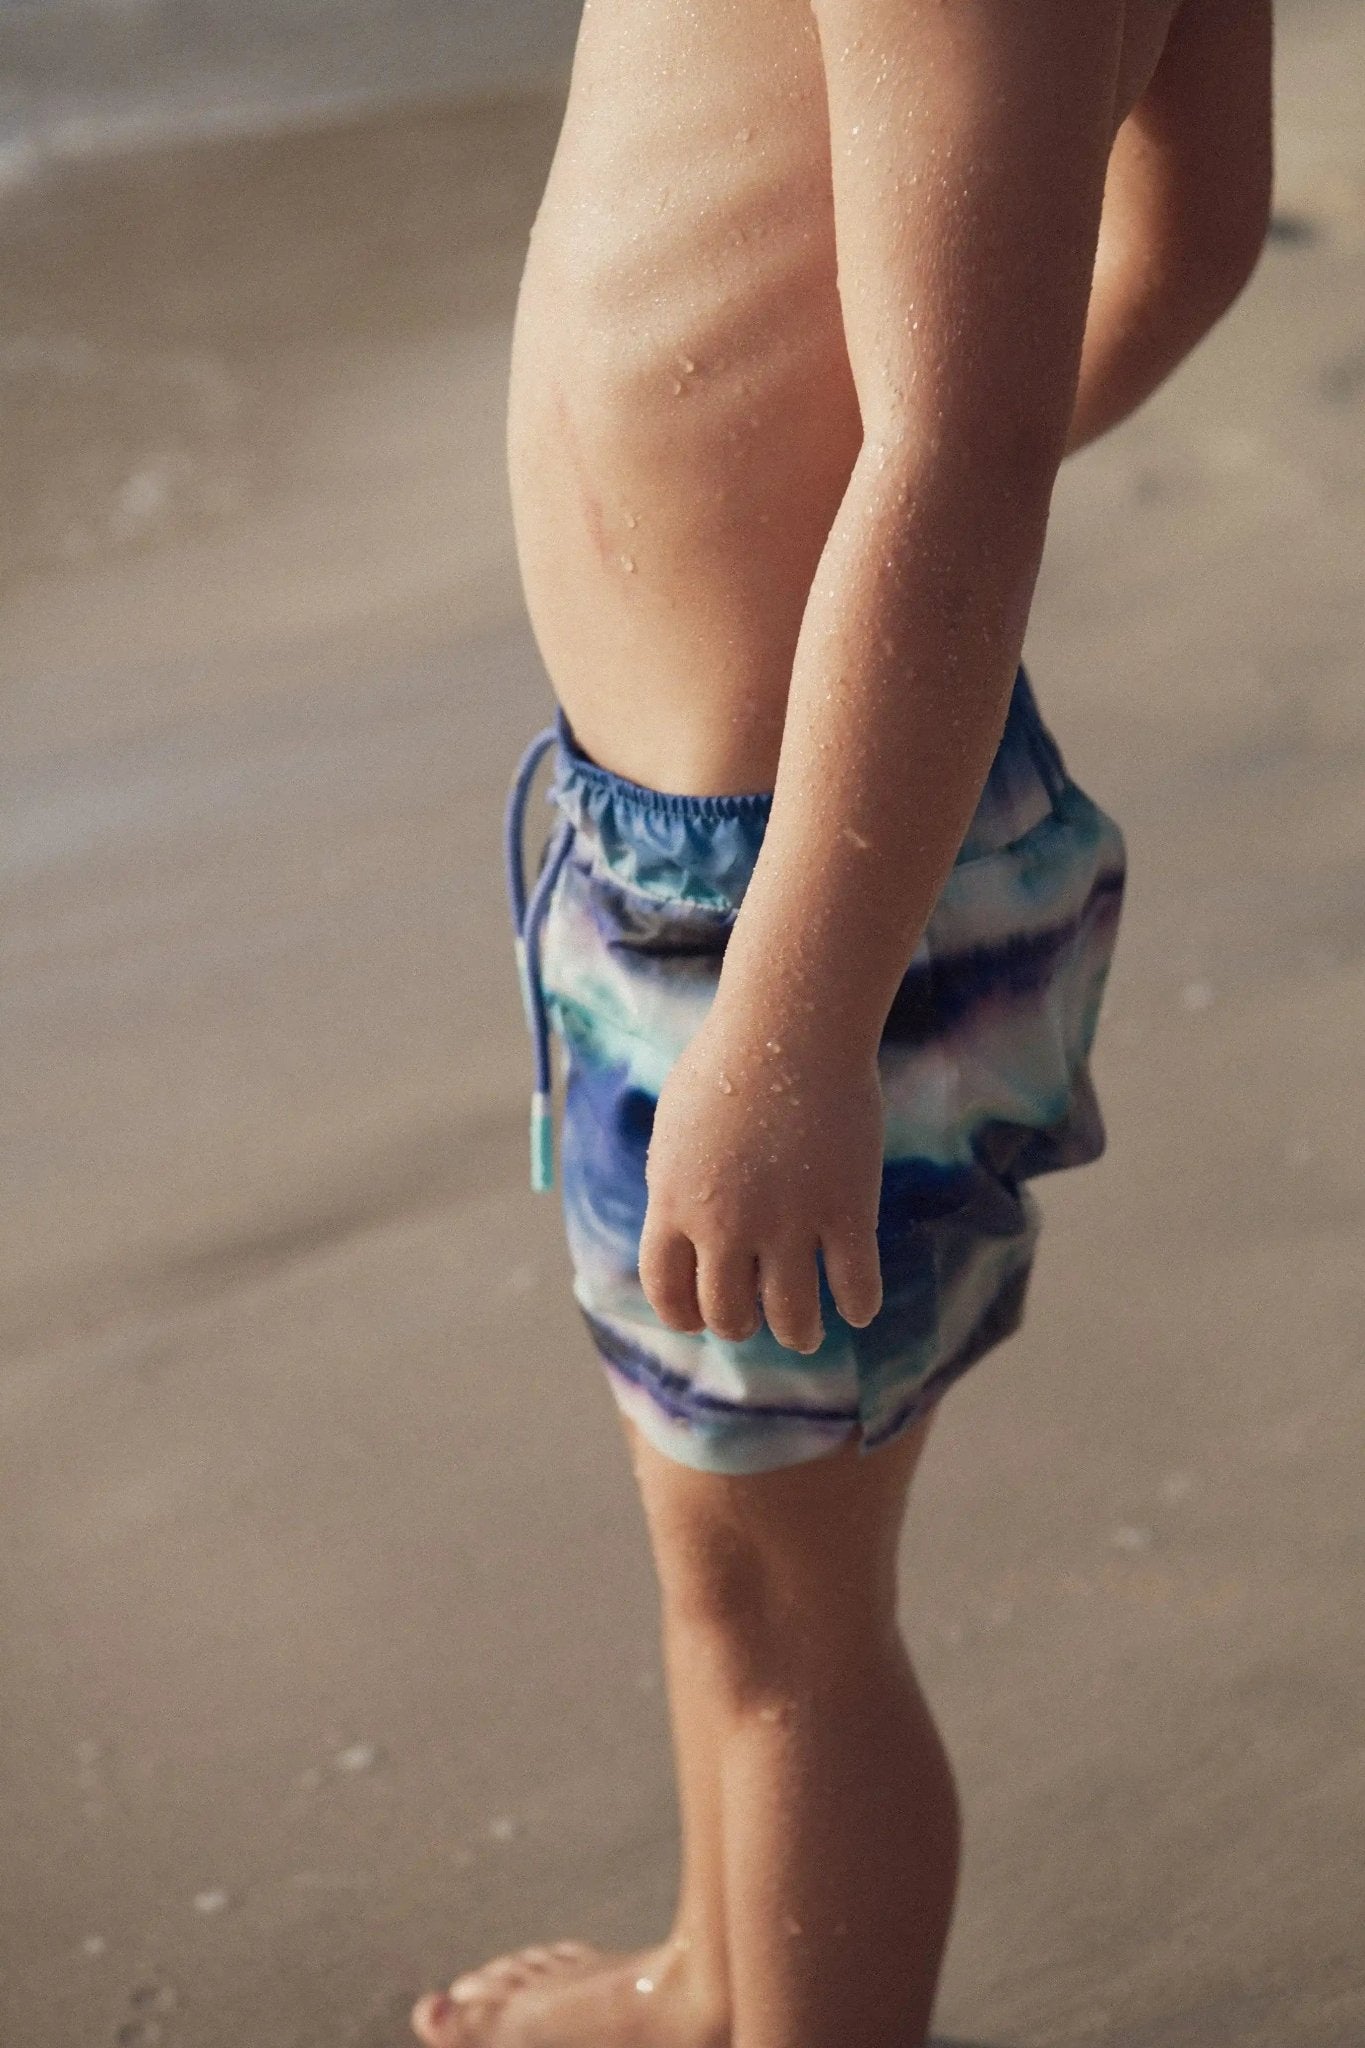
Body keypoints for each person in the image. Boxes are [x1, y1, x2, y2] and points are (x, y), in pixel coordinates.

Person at [413, 0, 1271, 2041]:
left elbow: (953, 459)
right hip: (769, 855)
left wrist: (793, 1016)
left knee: (793, 1617)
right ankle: (710, 1971)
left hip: (790, 900)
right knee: (731, 1561)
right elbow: (1199, 224)